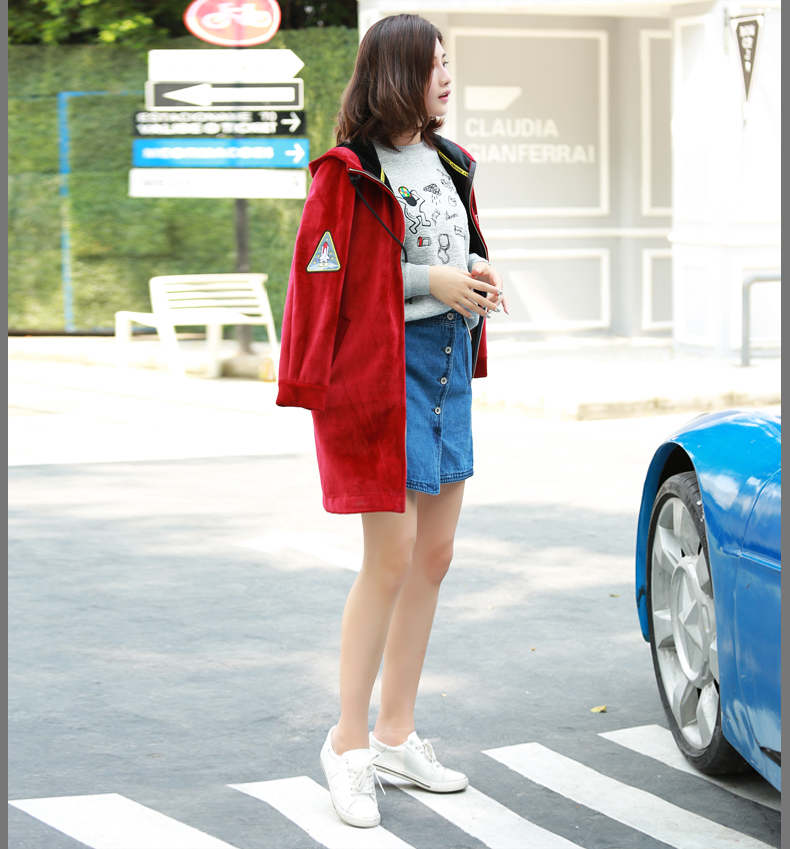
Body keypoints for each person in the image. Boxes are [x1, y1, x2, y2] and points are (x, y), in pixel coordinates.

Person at [276, 13, 507, 829]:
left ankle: (397, 734)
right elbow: (329, 280)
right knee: (391, 556)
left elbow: (451, 246)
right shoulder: (347, 173)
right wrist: (431, 283)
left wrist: (474, 270)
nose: (446, 75)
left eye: (448, 62)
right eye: (434, 64)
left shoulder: (450, 161)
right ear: (397, 73)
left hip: (446, 364)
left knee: (434, 555)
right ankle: (346, 742)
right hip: (383, 373)